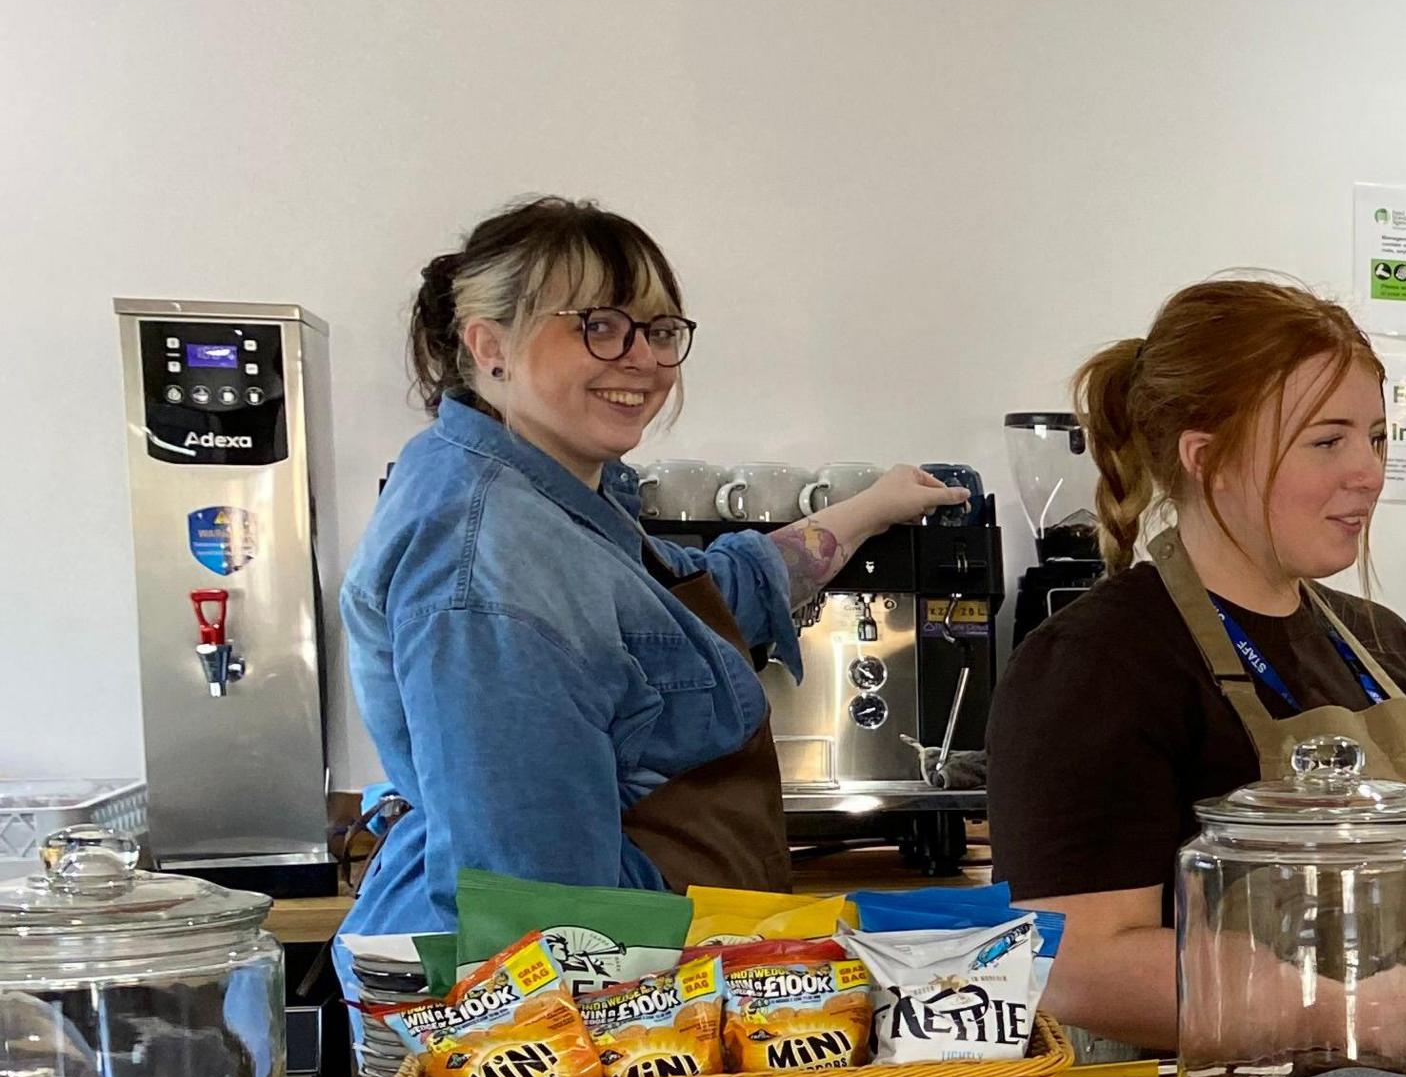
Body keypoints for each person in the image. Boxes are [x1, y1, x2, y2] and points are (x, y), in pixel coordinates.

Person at [341, 196, 955, 933]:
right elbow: (541, 908)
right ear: (489, 344)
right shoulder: (494, 562)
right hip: (590, 1000)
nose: (644, 359)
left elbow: (712, 600)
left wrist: (870, 508)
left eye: (659, 331)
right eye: (598, 326)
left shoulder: (551, 501)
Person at [988, 276, 1406, 1051]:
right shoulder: (1099, 664)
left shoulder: (1383, 646)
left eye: (1378, 437)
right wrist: (1344, 1011)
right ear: (1207, 458)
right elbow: (1078, 960)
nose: (1368, 472)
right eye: (1328, 441)